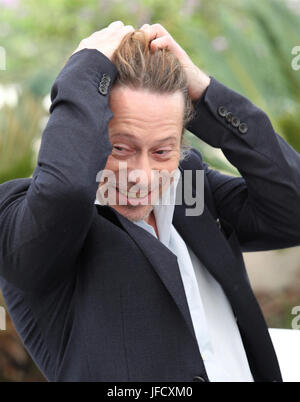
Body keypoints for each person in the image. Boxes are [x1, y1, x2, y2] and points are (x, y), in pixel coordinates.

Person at [0, 20, 300, 382]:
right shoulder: (26, 221)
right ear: (90, 133)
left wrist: (205, 94)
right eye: (120, 147)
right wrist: (85, 69)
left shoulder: (190, 189)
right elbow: (65, 189)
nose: (141, 175)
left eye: (161, 151)